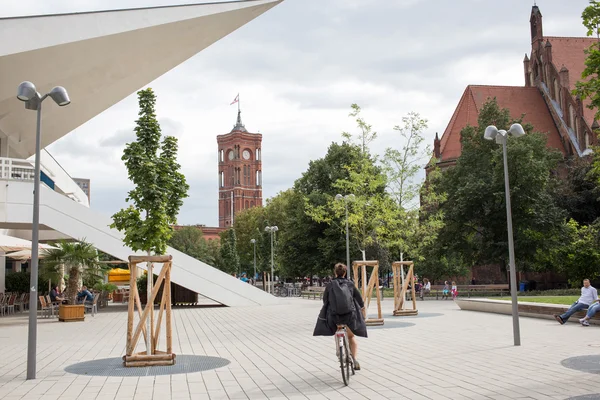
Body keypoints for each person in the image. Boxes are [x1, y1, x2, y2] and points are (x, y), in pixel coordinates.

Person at [313, 263, 367, 370]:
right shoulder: (350, 284)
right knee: (351, 337)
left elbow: (325, 301)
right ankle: (354, 359)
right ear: (345, 273)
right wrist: (362, 308)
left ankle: (339, 352)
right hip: (349, 317)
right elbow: (359, 299)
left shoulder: (330, 285)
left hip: (335, 317)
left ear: (335, 272)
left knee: (337, 331)